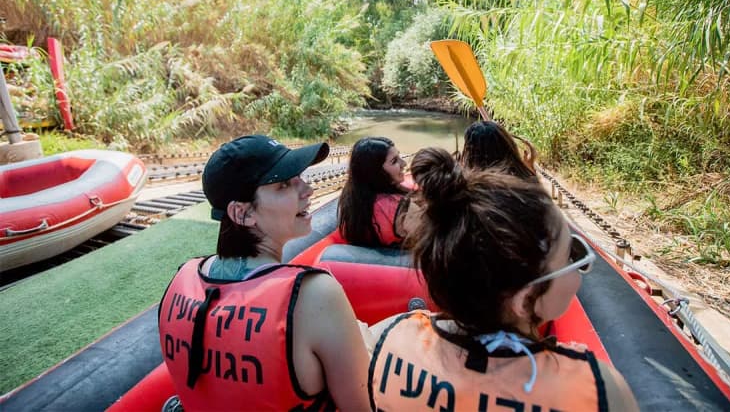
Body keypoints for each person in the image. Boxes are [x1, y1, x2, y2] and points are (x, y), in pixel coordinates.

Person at [369, 148, 638, 411]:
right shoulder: (600, 390)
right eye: (570, 255)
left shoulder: (393, 337)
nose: (578, 264)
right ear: (525, 301)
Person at [158, 135, 370, 411]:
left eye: (299, 178)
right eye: (284, 185)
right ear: (243, 214)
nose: (308, 189)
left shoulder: (181, 279)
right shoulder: (314, 294)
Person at [338, 136, 409, 247]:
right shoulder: (401, 207)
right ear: (375, 171)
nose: (404, 164)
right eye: (394, 161)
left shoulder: (351, 200)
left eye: (399, 157)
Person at [460, 120, 539, 182]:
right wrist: (529, 168)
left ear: (469, 151)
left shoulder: (463, 188)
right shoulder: (522, 184)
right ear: (508, 146)